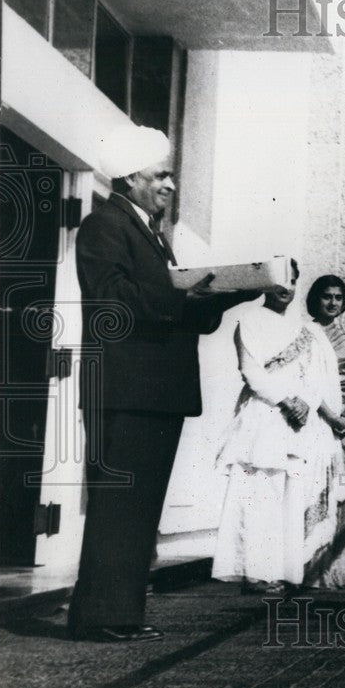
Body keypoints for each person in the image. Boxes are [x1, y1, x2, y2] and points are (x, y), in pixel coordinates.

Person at [69, 125, 250, 642]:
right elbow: (113, 298)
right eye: (160, 174)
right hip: (127, 391)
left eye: (170, 174)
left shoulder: (151, 232)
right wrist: (184, 300)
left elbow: (175, 307)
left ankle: (118, 613)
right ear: (130, 179)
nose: (170, 184)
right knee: (119, 506)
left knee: (140, 507)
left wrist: (233, 292)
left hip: (154, 392)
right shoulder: (105, 225)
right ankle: (101, 616)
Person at [212, 261, 345, 593]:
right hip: (265, 414)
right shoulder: (250, 321)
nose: (285, 288)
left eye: (292, 281)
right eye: (280, 282)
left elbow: (319, 376)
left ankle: (286, 570)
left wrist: (307, 402)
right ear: (267, 285)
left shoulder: (305, 329)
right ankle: (255, 573)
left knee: (290, 495)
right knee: (260, 494)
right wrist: (287, 400)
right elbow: (252, 371)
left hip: (298, 421)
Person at [303, 275, 345, 588]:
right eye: (326, 296)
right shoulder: (303, 335)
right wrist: (329, 416)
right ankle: (309, 567)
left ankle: (340, 565)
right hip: (313, 422)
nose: (332, 302)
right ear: (314, 299)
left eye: (337, 297)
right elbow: (304, 382)